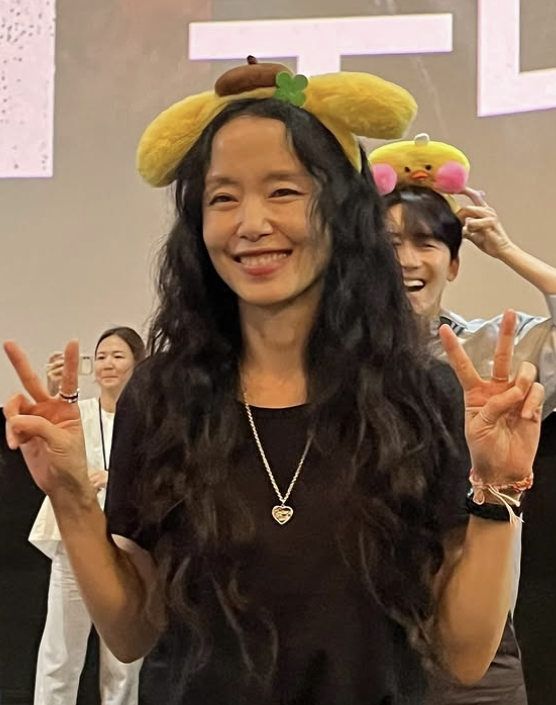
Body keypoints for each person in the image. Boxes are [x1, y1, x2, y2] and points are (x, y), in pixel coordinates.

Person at [3, 62, 545, 705]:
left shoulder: (418, 393)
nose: (251, 222)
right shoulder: (164, 395)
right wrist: (70, 496)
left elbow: (464, 654)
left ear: (342, 213)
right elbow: (130, 632)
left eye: (283, 191)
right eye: (222, 197)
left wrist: (498, 490)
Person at [381, 185, 553, 704]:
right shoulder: (331, 362)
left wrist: (506, 250)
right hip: (365, 623)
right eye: (389, 243)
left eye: (426, 242)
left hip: (477, 622)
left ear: (453, 264)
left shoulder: (490, 349)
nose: (406, 259)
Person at [28, 326, 146, 705]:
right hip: (75, 547)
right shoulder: (77, 413)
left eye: (118, 356)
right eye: (101, 357)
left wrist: (113, 477)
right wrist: (51, 394)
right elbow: (49, 452)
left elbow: (165, 476)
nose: (107, 364)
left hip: (127, 550)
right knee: (60, 653)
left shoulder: (151, 420)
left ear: (138, 364)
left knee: (123, 662)